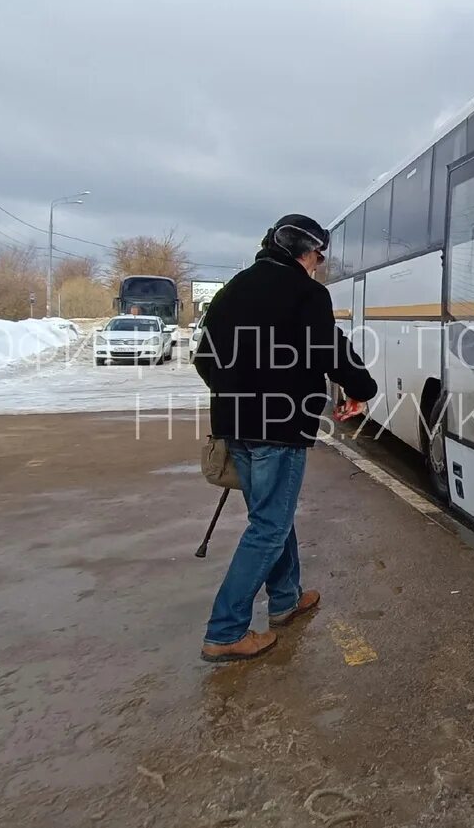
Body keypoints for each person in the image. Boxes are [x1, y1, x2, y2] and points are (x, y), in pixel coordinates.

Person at [193, 214, 377, 663]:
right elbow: (330, 349)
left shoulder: (232, 288)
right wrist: (362, 390)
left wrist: (233, 394)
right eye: (318, 255)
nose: (319, 264)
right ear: (304, 252)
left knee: (271, 517)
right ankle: (226, 631)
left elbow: (203, 358)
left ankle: (285, 599)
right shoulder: (306, 293)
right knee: (269, 527)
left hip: (235, 425)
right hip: (279, 427)